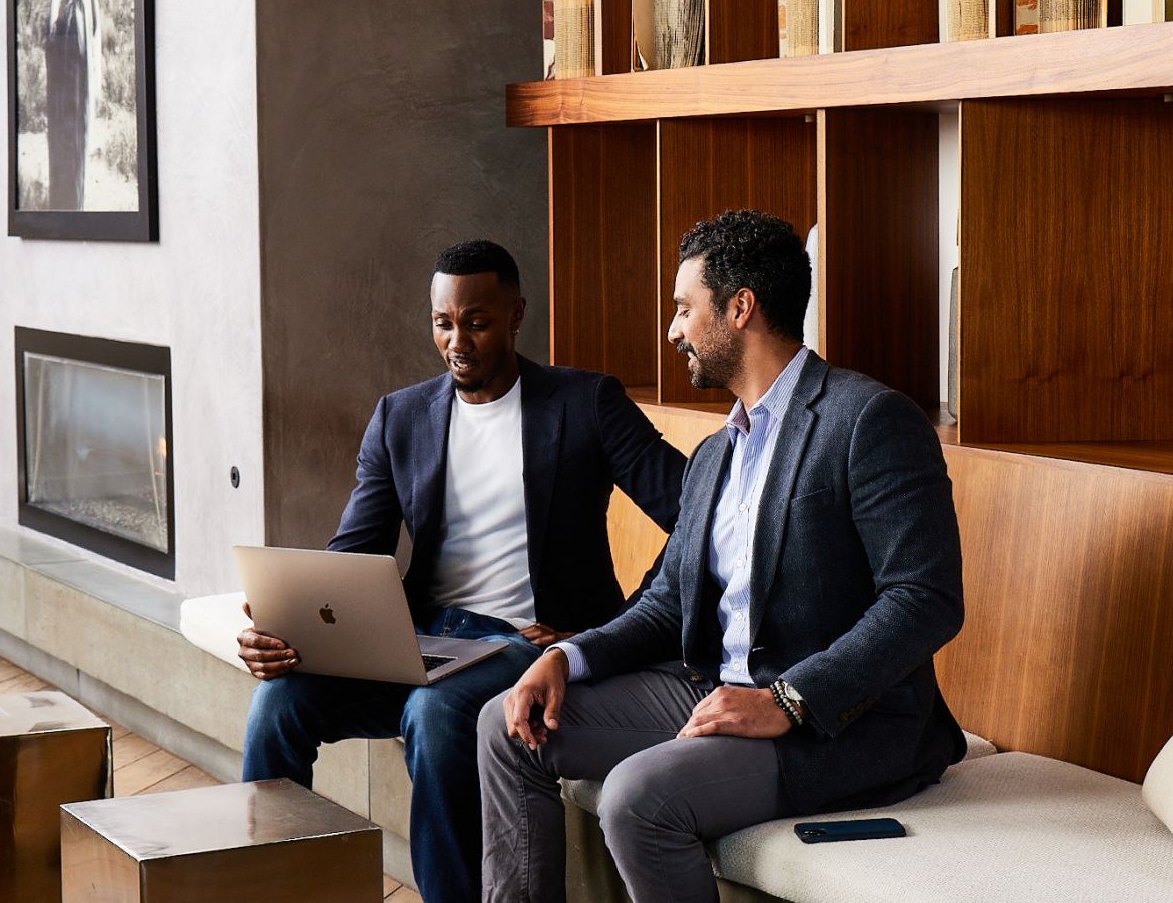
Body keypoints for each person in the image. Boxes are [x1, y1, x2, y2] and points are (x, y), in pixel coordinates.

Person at [478, 210, 968, 903]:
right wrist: (567, 657)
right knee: (507, 726)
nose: (672, 329)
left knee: (636, 797)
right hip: (715, 688)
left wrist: (788, 700)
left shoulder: (869, 420)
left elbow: (925, 599)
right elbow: (668, 602)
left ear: (740, 308)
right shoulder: (715, 453)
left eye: (684, 308)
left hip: (839, 724)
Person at [238, 239, 688, 903]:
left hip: (519, 643)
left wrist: (617, 626)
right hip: (420, 638)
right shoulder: (401, 417)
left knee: (437, 712)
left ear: (515, 314)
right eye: (442, 323)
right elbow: (355, 556)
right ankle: (263, 890)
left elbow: (697, 512)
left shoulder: (587, 403)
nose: (457, 341)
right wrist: (290, 623)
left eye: (475, 321)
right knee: (278, 702)